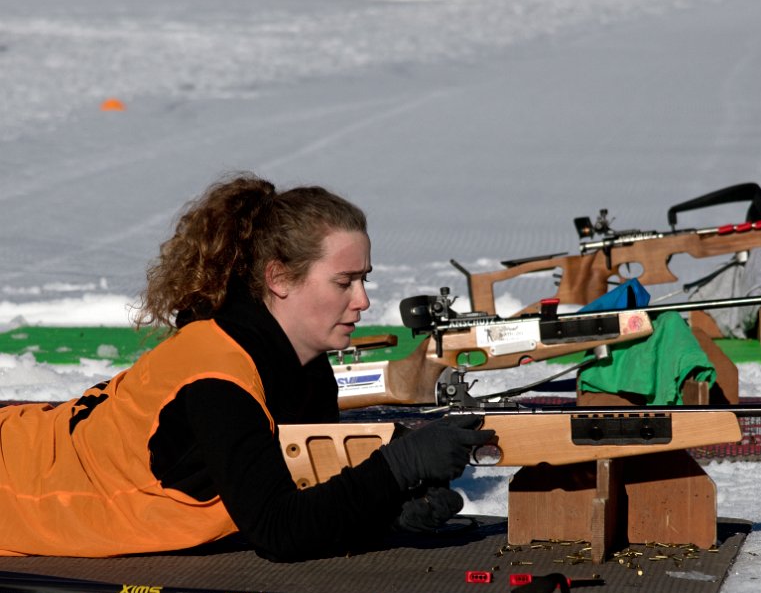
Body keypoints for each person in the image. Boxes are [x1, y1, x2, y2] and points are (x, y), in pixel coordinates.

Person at [0, 173, 493, 560]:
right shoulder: (219, 378)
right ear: (278, 278)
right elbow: (279, 530)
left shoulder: (303, 368)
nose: (363, 300)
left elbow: (303, 492)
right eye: (344, 282)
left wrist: (384, 514)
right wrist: (398, 467)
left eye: (364, 279)